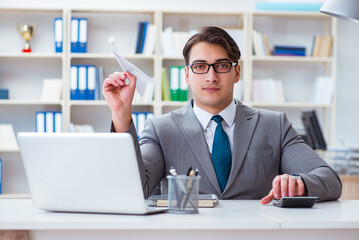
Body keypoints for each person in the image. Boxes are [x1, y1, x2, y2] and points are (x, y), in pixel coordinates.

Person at [103, 26, 342, 204]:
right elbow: (134, 189)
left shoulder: (274, 125)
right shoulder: (161, 129)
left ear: (236, 72)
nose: (211, 76)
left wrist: (299, 183)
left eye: (222, 65)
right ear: (187, 75)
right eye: (200, 66)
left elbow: (330, 180)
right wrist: (121, 114)